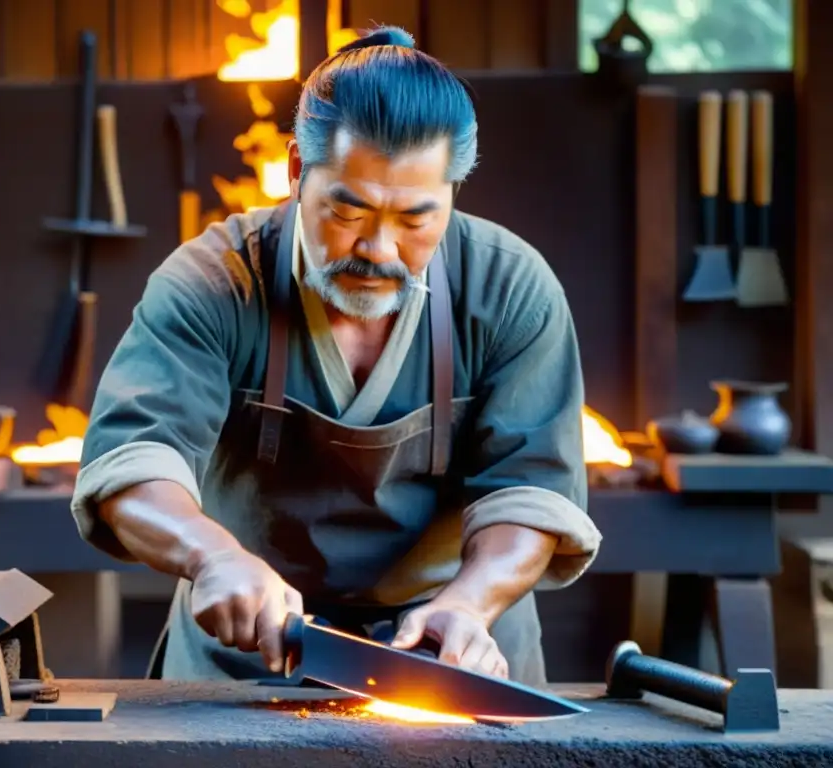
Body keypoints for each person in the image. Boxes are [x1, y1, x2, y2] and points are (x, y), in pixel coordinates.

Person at [70, 26, 602, 686]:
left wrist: (471, 602)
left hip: (451, 654)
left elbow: (533, 492)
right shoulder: (215, 280)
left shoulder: (510, 288)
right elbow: (132, 460)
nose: (378, 248)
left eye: (414, 219)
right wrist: (212, 558)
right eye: (348, 210)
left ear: (454, 192)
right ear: (297, 170)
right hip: (251, 652)